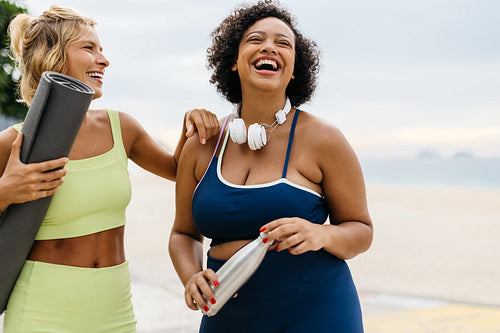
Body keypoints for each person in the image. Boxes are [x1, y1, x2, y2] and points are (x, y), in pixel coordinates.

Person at [0, 5, 219, 332]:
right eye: (89, 48)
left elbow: (179, 170)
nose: (104, 59)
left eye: (101, 49)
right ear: (52, 57)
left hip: (115, 306)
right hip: (42, 307)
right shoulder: (13, 143)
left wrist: (192, 128)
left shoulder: (122, 127)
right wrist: (5, 191)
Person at [168, 1, 373, 332]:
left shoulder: (324, 139)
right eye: (255, 39)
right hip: (228, 316)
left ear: (294, 69)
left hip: (317, 311)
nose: (269, 47)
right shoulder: (204, 143)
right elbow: (183, 233)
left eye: (283, 43)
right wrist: (191, 276)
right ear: (233, 62)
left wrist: (320, 233)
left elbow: (361, 231)